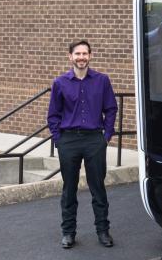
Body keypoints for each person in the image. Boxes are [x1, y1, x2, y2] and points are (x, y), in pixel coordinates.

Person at [47, 40, 118, 249]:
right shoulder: (60, 83)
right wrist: (58, 139)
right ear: (70, 56)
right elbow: (53, 115)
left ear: (90, 56)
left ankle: (103, 230)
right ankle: (68, 232)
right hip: (68, 140)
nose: (81, 57)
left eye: (85, 53)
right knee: (69, 189)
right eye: (77, 54)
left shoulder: (102, 81)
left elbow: (111, 109)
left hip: (94, 140)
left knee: (98, 187)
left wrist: (106, 136)